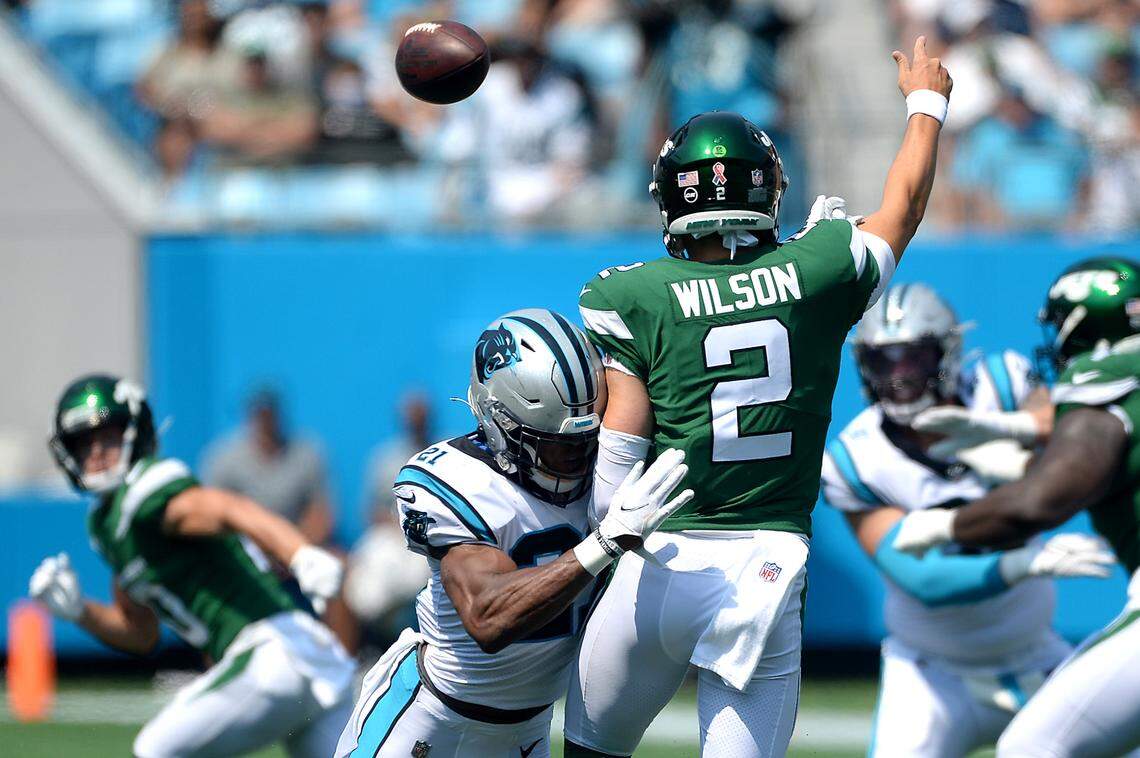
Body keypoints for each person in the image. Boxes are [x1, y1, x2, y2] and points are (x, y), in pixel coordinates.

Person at [565, 36, 952, 758]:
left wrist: (604, 549)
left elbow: (620, 450)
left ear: (670, 192)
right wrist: (927, 103)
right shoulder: (819, 265)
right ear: (767, 187)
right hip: (765, 568)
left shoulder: (629, 294)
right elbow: (905, 205)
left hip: (656, 558)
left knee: (590, 751)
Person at [335, 309, 692, 758]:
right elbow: (488, 619)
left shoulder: (602, 469)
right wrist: (602, 545)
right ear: (498, 422)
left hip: (527, 733)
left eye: (589, 443)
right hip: (430, 722)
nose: (580, 462)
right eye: (559, 448)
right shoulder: (461, 482)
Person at [821, 283, 1114, 757]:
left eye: (912, 358)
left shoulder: (1003, 385)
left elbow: (1077, 433)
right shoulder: (856, 459)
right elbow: (921, 577)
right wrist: (1024, 565)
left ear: (948, 352)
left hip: (1035, 654)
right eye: (882, 361)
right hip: (931, 673)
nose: (897, 377)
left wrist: (1007, 438)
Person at [28, 374, 355, 757]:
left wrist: (299, 554)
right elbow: (141, 633)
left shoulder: (147, 493)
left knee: (155, 749)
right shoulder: (108, 527)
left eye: (109, 437)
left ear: (136, 433)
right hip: (312, 662)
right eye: (85, 443)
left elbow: (231, 509)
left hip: (274, 651)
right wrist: (81, 612)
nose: (97, 452)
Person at [892, 256, 1140, 758]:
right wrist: (1016, 431)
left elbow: (1043, 499)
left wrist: (947, 525)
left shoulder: (1103, 372)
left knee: (1033, 746)